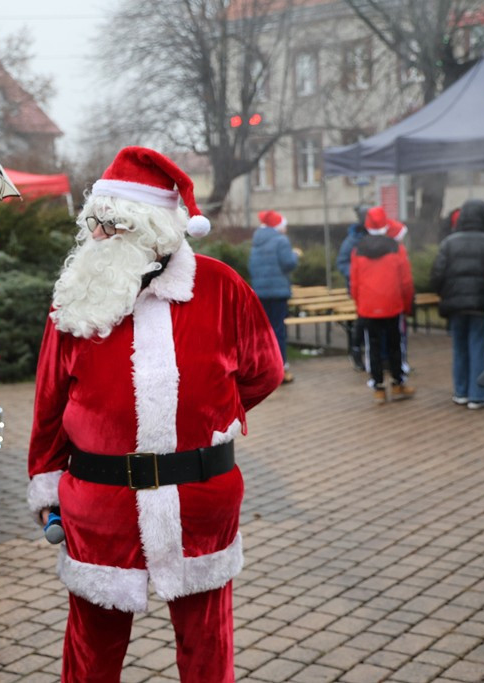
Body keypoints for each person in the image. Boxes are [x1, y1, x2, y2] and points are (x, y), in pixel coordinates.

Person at [27, 147, 284, 682]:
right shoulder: (77, 296)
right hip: (100, 505)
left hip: (199, 501)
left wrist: (214, 416)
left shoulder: (220, 287)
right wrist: (47, 484)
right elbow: (48, 402)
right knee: (92, 649)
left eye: (110, 226)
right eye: (93, 223)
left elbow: (265, 369)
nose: (95, 236)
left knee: (207, 645)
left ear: (150, 231)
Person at [430, 199, 484, 410]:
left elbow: (437, 274)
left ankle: (461, 392)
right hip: (482, 306)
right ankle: (478, 395)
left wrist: (445, 293)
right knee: (478, 347)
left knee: (459, 348)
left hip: (455, 306)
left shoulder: (448, 243)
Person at [351, 208, 415, 402]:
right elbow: (406, 282)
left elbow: (354, 282)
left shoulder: (358, 250)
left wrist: (360, 304)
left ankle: (378, 387)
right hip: (393, 305)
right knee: (395, 345)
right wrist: (406, 305)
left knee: (374, 346)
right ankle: (397, 384)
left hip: (369, 307)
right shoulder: (396, 248)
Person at [249, 209, 298, 384]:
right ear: (278, 226)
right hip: (278, 293)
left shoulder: (257, 241)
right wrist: (296, 255)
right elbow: (288, 263)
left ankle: (264, 367)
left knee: (264, 331)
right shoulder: (281, 240)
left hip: (261, 292)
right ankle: (281, 368)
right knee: (278, 331)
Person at [336, 205, 368, 371]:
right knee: (360, 324)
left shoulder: (377, 237)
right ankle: (356, 353)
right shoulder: (351, 241)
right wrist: (357, 273)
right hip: (359, 289)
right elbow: (342, 262)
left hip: (374, 289)